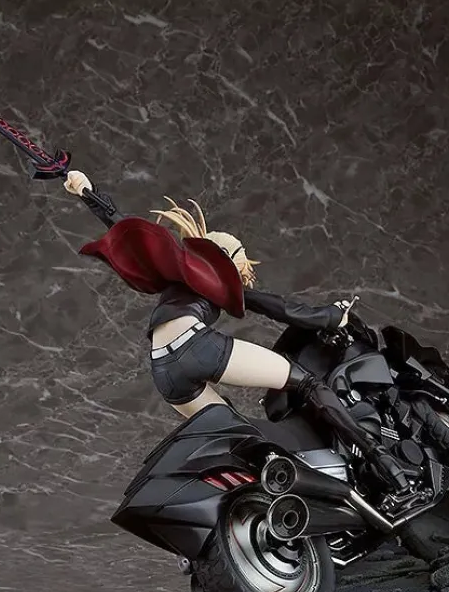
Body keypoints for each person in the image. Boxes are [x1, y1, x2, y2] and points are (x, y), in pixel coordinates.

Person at [64, 170, 408, 493]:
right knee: (307, 383)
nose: (247, 266)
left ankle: (270, 495)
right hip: (193, 347)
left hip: (164, 371)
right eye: (242, 255)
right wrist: (332, 317)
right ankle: (382, 459)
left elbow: (128, 230)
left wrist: (87, 192)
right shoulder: (212, 273)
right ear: (226, 256)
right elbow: (279, 308)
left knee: (237, 434)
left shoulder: (181, 273)